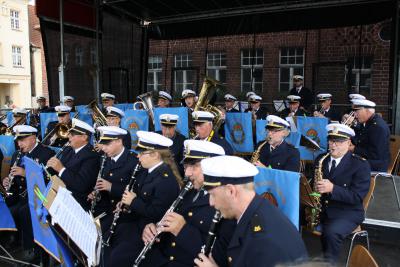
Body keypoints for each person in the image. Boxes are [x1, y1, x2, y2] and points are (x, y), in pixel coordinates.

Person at [195, 156, 308, 267]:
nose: (211, 203)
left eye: (212, 195)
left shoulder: (263, 242)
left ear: (231, 191)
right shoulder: (258, 210)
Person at [140, 140, 227, 267]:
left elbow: (220, 255)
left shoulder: (225, 202)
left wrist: (182, 230)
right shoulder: (190, 190)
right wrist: (153, 228)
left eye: (194, 166)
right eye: (186, 166)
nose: (187, 173)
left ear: (213, 166)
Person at [107, 131, 181, 266]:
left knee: (116, 257)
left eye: (142, 153)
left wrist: (133, 202)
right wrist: (126, 204)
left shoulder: (166, 180)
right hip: (138, 222)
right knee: (111, 235)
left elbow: (158, 214)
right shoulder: (146, 171)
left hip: (151, 233)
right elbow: (138, 194)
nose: (138, 156)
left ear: (155, 155)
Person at [315, 123, 371, 261]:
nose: (333, 145)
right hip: (323, 208)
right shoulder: (321, 159)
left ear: (348, 143)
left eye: (338, 142)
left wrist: (333, 188)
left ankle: (330, 263)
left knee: (331, 232)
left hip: (348, 212)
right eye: (331, 140)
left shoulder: (360, 165)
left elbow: (357, 197)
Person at [2, 125, 55, 261]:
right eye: (18, 141)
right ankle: (11, 236)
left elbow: (48, 179)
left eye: (22, 140)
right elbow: (12, 177)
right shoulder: (17, 154)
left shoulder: (46, 153)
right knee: (5, 205)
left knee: (23, 211)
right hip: (20, 193)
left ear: (32, 138)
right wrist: (8, 181)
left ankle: (32, 248)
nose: (19, 144)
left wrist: (26, 173)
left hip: (38, 195)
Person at [89, 126, 139, 234]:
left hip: (121, 214)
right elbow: (102, 183)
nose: (104, 148)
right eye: (103, 144)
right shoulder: (104, 158)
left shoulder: (133, 161)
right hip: (103, 210)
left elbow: (137, 192)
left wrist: (111, 187)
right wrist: (96, 193)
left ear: (119, 141)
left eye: (107, 144)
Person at [46, 118, 100, 211]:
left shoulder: (92, 156)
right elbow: (56, 172)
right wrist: (47, 169)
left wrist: (61, 169)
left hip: (76, 200)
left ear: (84, 137)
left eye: (73, 134)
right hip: (60, 192)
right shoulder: (68, 149)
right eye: (69, 133)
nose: (69, 136)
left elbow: (82, 185)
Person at [349, 99, 390, 172]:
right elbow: (362, 142)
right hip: (369, 160)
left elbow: (375, 154)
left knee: (344, 165)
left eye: (357, 111)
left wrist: (354, 149)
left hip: (376, 165)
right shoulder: (369, 123)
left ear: (367, 111)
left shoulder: (377, 127)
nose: (355, 115)